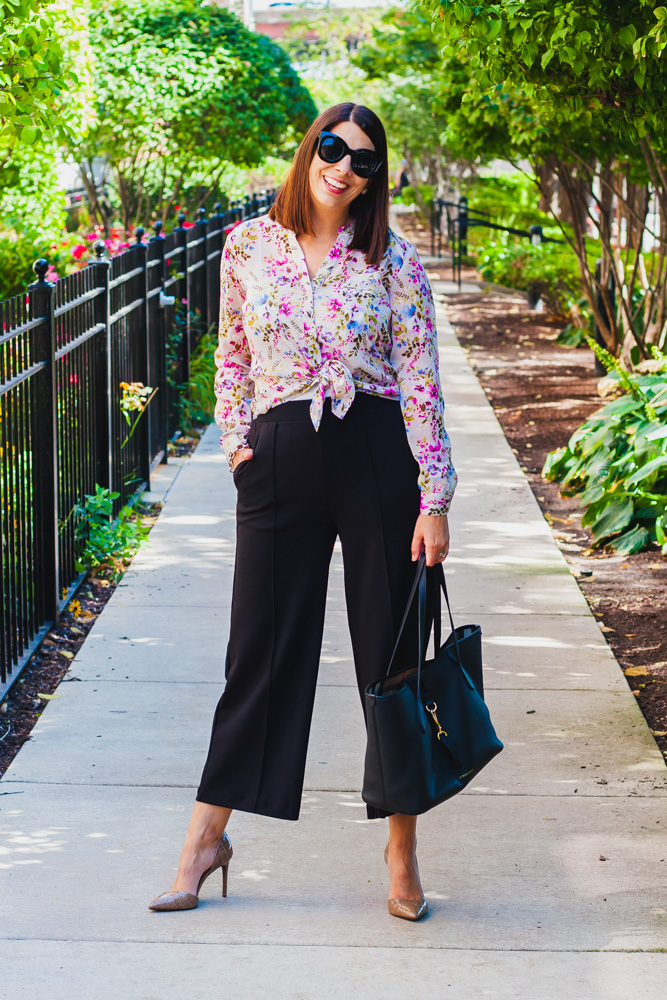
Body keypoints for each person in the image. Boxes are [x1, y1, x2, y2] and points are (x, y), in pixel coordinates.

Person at [148, 103, 457, 921]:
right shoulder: (248, 244)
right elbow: (233, 353)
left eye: (362, 160)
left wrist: (435, 499)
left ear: (373, 178)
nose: (343, 167)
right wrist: (240, 445)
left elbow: (420, 376)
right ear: (308, 150)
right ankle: (204, 840)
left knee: (390, 662)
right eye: (332, 148)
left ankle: (400, 849)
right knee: (260, 650)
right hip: (282, 455)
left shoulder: (394, 259)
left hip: (377, 456)